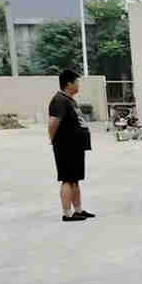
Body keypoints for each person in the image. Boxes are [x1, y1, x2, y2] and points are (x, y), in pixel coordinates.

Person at [48, 69, 95, 222]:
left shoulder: (69, 100)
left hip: (75, 147)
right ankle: (67, 213)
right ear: (69, 84)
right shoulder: (59, 101)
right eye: (76, 82)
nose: (78, 85)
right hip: (65, 147)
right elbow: (53, 123)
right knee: (67, 179)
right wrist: (54, 140)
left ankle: (78, 210)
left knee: (75, 180)